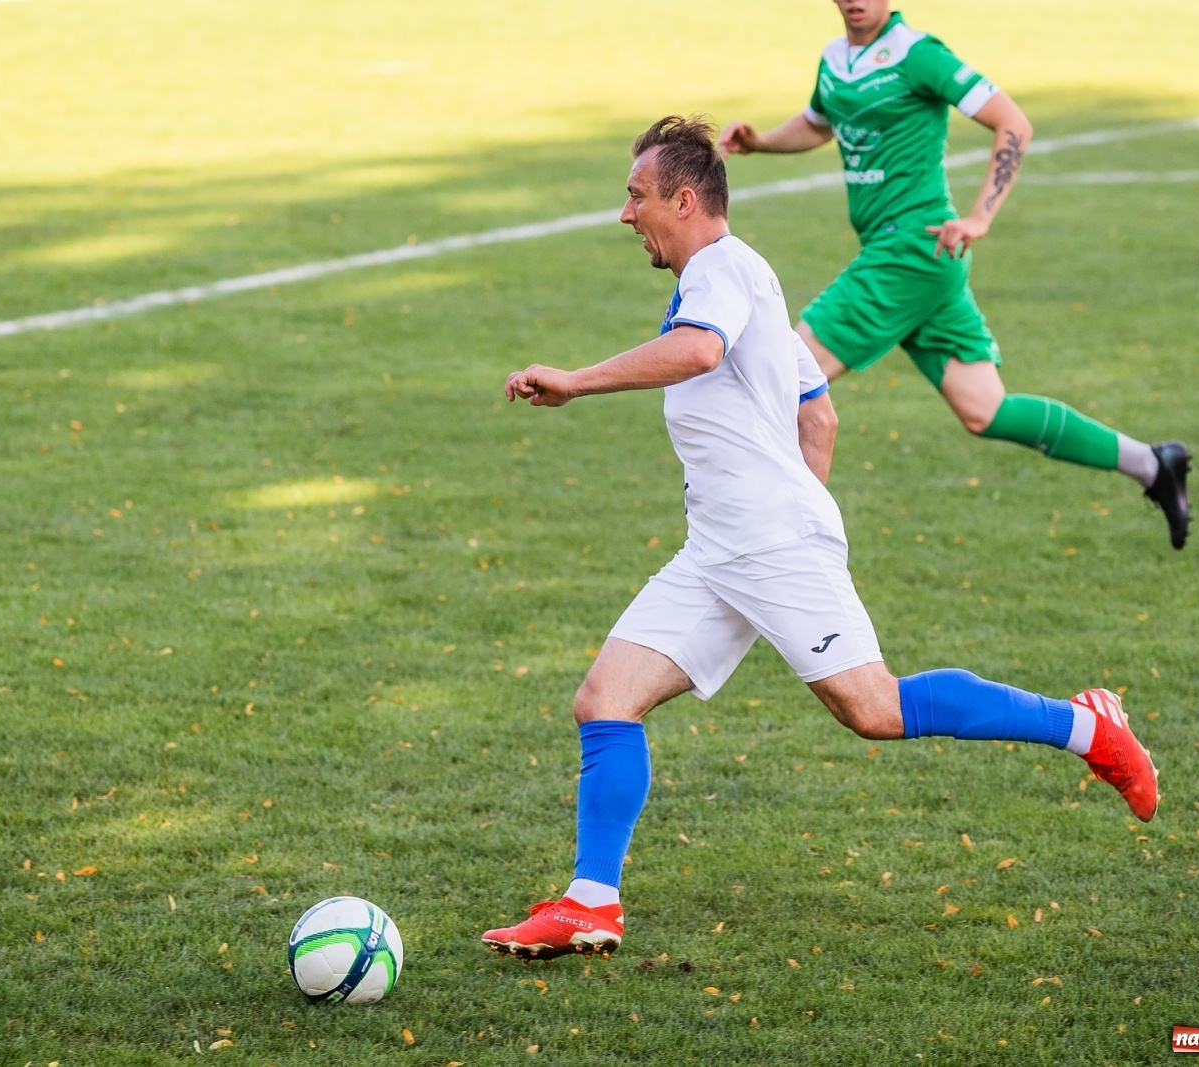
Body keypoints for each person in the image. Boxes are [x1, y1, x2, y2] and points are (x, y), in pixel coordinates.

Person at [482, 115, 1159, 962]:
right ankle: (592, 903)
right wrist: (801, 509)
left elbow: (696, 355)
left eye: (636, 195)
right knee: (604, 700)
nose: (627, 214)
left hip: (766, 542)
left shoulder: (722, 270)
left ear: (683, 199)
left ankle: (1088, 727)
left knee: (874, 709)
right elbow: (821, 413)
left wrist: (576, 382)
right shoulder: (738, 280)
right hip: (723, 548)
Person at [718, 0, 1193, 549]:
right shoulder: (835, 60)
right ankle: (1154, 465)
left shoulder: (919, 56)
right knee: (984, 410)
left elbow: (1012, 121)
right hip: (916, 259)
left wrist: (981, 215)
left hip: (911, 253)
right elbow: (818, 122)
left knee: (779, 373)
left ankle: (770, 545)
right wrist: (759, 143)